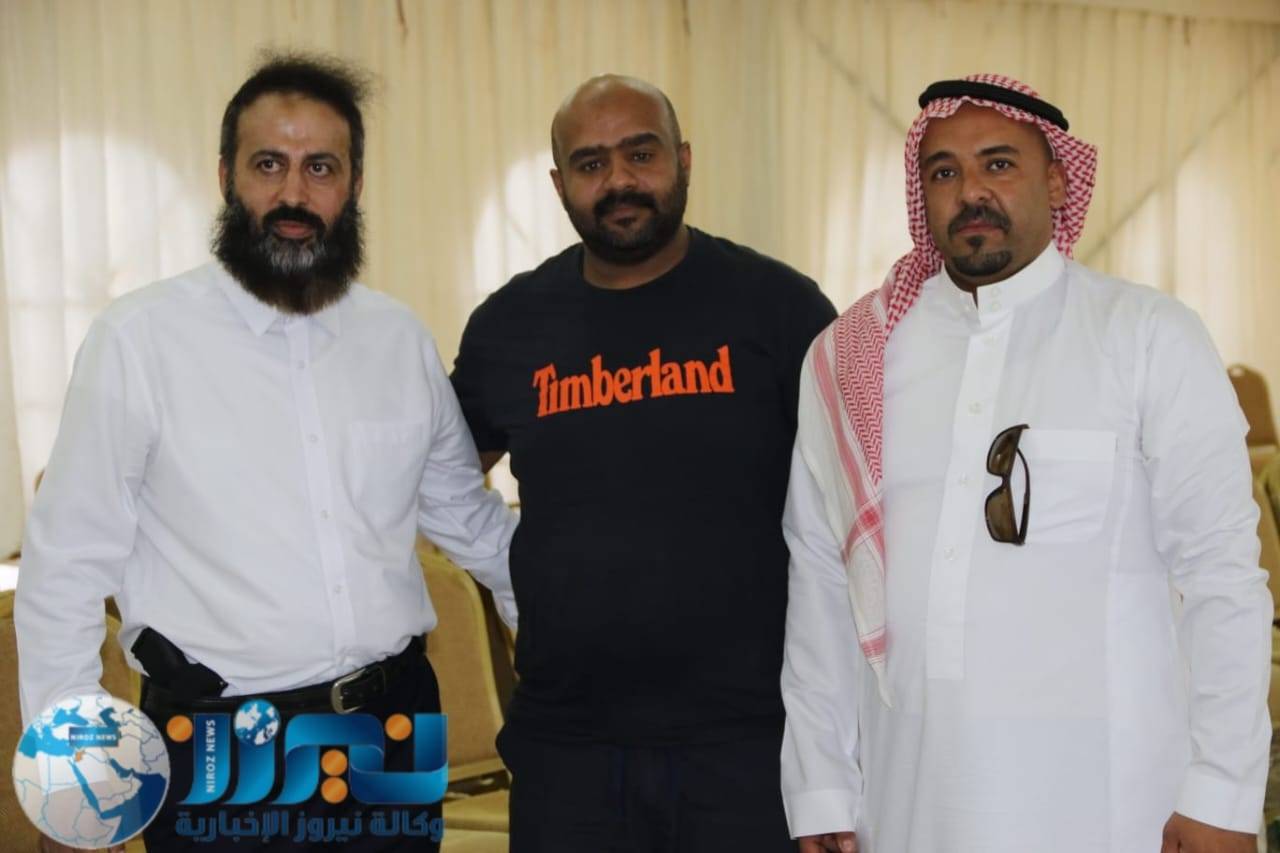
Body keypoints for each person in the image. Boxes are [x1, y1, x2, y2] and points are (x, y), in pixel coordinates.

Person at [15, 53, 517, 852]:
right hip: (220, 742)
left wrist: (572, 637)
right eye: (268, 164)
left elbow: (470, 519)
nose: (293, 194)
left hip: (390, 728)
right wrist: (76, 787)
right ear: (226, 177)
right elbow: (64, 565)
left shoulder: (398, 339)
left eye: (320, 167)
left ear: (354, 184)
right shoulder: (139, 340)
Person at [780, 73, 1272, 853]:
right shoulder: (851, 361)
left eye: (999, 163)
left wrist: (1222, 793)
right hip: (909, 807)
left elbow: (1222, 574)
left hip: (1114, 806)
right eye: (944, 171)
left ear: (1058, 180)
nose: (970, 191)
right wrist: (820, 790)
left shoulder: (1148, 335)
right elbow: (819, 584)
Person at [450, 74, 836, 851]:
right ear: (559, 184)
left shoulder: (779, 308)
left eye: (641, 153)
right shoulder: (510, 326)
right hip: (569, 749)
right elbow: (441, 474)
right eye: (591, 164)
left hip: (748, 742)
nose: (619, 180)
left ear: (683, 159)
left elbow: (851, 502)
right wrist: (507, 567)